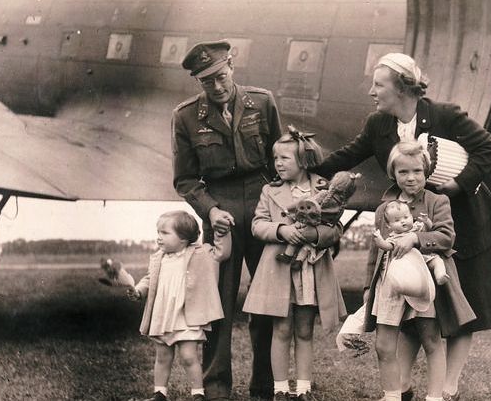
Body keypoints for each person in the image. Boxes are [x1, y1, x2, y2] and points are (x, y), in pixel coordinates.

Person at [314, 52, 491, 401]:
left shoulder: (445, 115)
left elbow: (486, 148)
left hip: (463, 222)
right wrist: (311, 169)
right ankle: (403, 386)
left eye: (378, 84)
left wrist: (456, 185)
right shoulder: (378, 124)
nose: (372, 91)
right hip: (407, 228)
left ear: (402, 88)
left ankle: (448, 388)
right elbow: (348, 155)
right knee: (415, 300)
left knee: (462, 307)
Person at [171, 39, 283, 400]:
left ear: (232, 66)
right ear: (198, 82)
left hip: (265, 209)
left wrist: (280, 208)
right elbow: (185, 179)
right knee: (218, 304)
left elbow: (279, 160)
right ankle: (217, 386)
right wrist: (211, 210)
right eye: (207, 81)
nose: (217, 87)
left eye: (221, 76)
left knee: (266, 302)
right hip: (221, 213)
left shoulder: (263, 103)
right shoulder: (186, 117)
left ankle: (265, 385)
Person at [363, 141, 475, 401]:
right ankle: (393, 395)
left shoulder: (438, 201)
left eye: (417, 171)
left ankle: (435, 397)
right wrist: (369, 287)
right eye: (403, 172)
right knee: (384, 344)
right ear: (393, 173)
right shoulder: (383, 209)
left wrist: (416, 239)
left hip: (424, 281)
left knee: (430, 338)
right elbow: (374, 252)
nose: (411, 178)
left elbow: (447, 238)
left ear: (426, 172)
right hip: (391, 282)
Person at [242, 131, 347, 401]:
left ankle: (303, 389)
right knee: (282, 329)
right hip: (279, 270)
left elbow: (335, 227)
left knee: (304, 330)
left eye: (284, 157)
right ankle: (279, 389)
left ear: (303, 159)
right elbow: (257, 224)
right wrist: (281, 231)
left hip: (311, 269)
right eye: (275, 158)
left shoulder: (325, 187)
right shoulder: (270, 190)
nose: (278, 163)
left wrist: (315, 235)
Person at [127, 210, 231, 401]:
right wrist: (139, 290)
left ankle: (198, 394)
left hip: (186, 315)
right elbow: (150, 278)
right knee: (162, 357)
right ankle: (159, 393)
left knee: (189, 356)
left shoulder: (200, 253)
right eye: (158, 232)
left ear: (183, 238)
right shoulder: (159, 257)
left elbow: (222, 252)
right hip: (163, 315)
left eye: (165, 233)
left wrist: (222, 231)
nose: (159, 238)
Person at [373, 200, 450, 285]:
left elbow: (430, 231)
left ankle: (440, 275)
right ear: (389, 225)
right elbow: (387, 246)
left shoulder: (417, 227)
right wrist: (379, 240)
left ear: (411, 216)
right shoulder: (394, 237)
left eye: (406, 217)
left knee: (437, 260)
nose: (403, 221)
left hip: (423, 258)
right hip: (406, 262)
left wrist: (427, 221)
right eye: (397, 220)